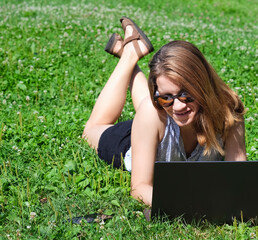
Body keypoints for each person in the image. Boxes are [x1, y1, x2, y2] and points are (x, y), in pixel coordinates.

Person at [83, 16, 247, 207]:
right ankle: (128, 55)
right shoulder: (152, 113)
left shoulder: (228, 112)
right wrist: (186, 205)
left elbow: (238, 178)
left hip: (156, 123)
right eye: (166, 97)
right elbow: (140, 187)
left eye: (187, 95)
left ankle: (130, 52)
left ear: (202, 86)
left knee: (153, 108)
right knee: (92, 129)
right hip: (137, 140)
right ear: (157, 94)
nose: (177, 106)